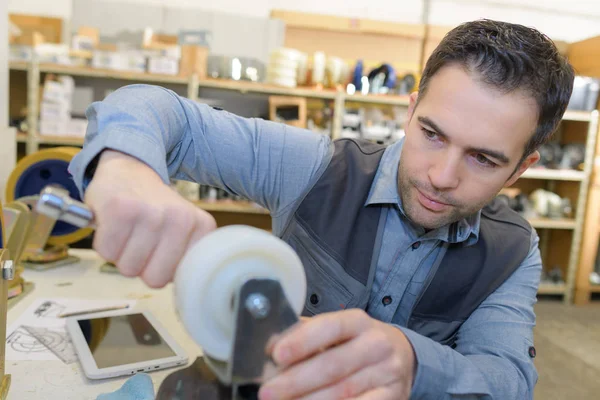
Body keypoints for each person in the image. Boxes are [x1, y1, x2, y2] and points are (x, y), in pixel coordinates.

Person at [68, 19, 574, 399]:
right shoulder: (316, 168)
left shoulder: (512, 251)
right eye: (432, 134)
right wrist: (125, 165)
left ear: (520, 169)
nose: (442, 176)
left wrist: (415, 364)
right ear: (410, 109)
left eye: (484, 159)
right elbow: (160, 111)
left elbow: (507, 379)